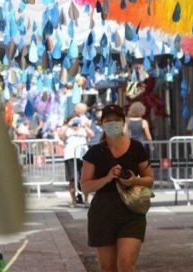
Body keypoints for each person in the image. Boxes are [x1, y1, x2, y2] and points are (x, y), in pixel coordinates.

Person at [81, 105, 154, 272]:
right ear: (101, 124)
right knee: (108, 268)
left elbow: (149, 179)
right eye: (108, 120)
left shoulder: (136, 148)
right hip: (103, 211)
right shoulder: (95, 152)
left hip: (131, 210)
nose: (112, 123)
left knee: (126, 264)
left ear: (123, 122)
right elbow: (85, 186)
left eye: (116, 120)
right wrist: (107, 178)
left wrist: (135, 180)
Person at [58, 116, 94, 207]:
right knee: (72, 179)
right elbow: (61, 136)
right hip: (70, 155)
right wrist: (67, 125)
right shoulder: (66, 129)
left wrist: (84, 126)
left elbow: (92, 135)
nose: (75, 122)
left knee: (84, 178)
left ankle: (86, 200)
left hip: (83, 156)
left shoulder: (84, 128)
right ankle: (73, 200)